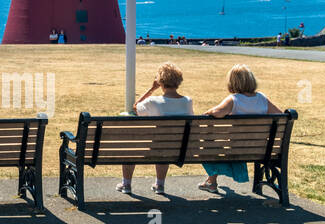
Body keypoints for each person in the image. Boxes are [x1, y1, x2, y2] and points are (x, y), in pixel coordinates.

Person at [199, 65, 282, 194]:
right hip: (260, 149)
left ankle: (212, 181)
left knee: (208, 146)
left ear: (232, 82)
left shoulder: (234, 99)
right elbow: (280, 116)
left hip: (236, 148)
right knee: (218, 146)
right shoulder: (262, 98)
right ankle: (211, 181)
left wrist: (208, 111)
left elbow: (217, 112)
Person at [117, 62, 192, 195]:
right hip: (178, 148)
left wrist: (151, 89)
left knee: (131, 146)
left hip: (153, 147)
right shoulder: (187, 101)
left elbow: (136, 107)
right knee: (164, 147)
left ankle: (126, 184)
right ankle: (159, 184)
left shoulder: (154, 101)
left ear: (160, 81)